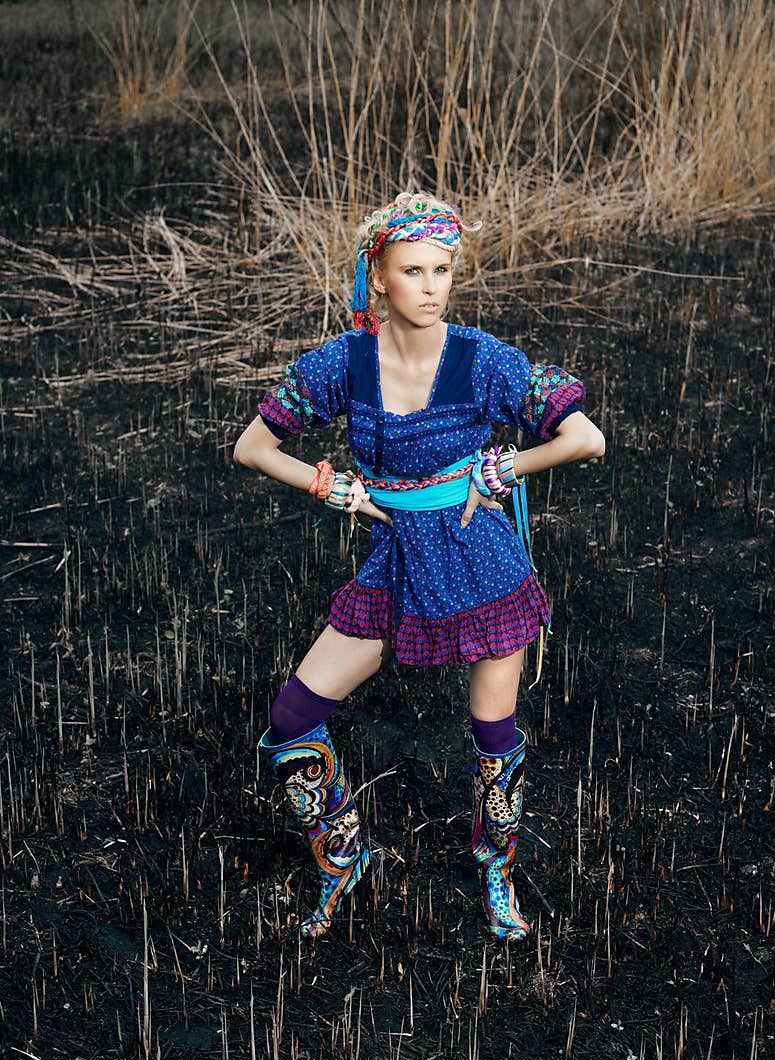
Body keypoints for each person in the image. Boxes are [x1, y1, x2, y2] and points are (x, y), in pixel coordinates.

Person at [233, 191, 604, 943]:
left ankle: (496, 873)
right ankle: (343, 855)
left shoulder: (483, 359)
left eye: (443, 269)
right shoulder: (341, 363)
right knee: (291, 721)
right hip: (396, 561)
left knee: (492, 731)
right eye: (414, 270)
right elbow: (252, 447)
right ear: (379, 276)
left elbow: (584, 437)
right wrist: (329, 484)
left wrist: (501, 471)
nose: (432, 286)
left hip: (482, 564)